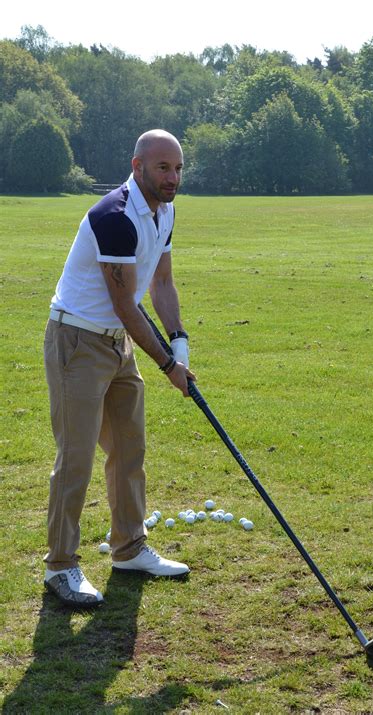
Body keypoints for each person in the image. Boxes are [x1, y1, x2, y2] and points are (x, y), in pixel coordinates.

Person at [43, 129, 196, 608]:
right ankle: (61, 567)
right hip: (78, 341)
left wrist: (180, 342)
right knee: (77, 457)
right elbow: (126, 305)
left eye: (177, 168)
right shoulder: (115, 217)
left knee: (130, 448)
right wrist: (169, 366)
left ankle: (129, 548)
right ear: (138, 166)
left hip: (117, 345)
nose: (172, 178)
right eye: (162, 168)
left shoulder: (165, 211)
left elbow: (162, 282)